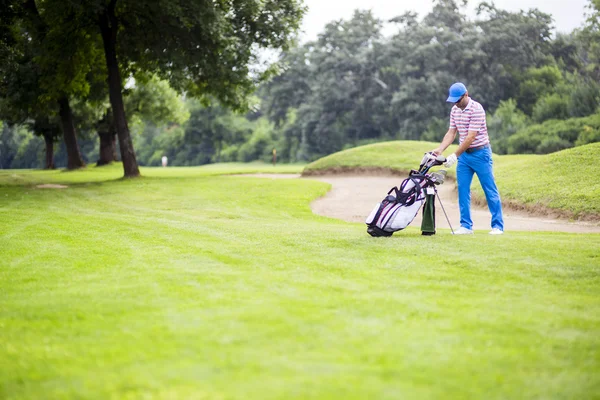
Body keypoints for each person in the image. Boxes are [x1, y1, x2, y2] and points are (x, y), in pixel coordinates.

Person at [432, 82, 504, 235]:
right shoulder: (455, 110)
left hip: (481, 154)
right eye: (454, 101)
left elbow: (471, 137)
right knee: (463, 190)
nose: (456, 104)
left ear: (466, 94)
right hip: (465, 157)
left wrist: (454, 155)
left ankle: (497, 226)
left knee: (489, 188)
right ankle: (466, 226)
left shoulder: (476, 109)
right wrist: (440, 149)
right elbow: (451, 133)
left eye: (458, 100)